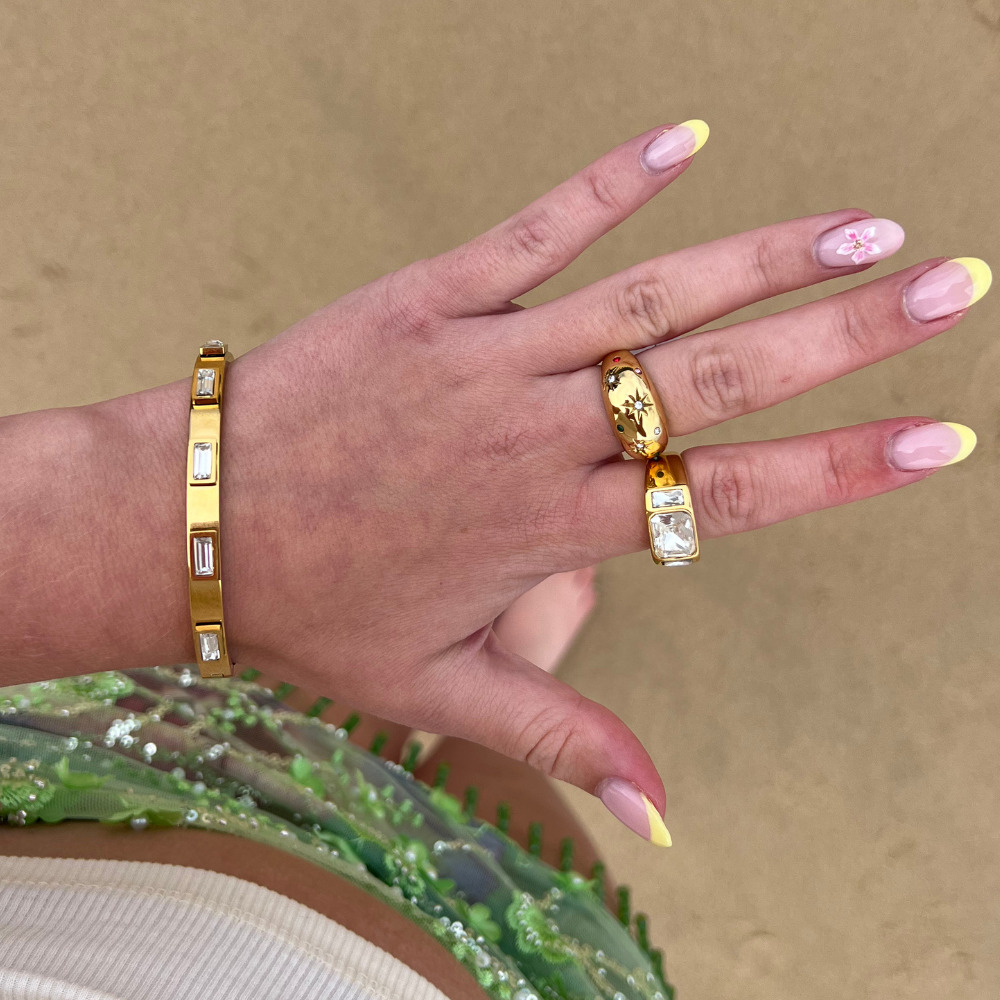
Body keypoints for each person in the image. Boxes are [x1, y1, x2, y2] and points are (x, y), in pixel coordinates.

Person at [0, 121, 987, 999]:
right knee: (501, 816)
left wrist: (156, 504)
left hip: (90, 807)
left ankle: (443, 645)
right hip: (480, 971)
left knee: (295, 698)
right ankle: (500, 662)